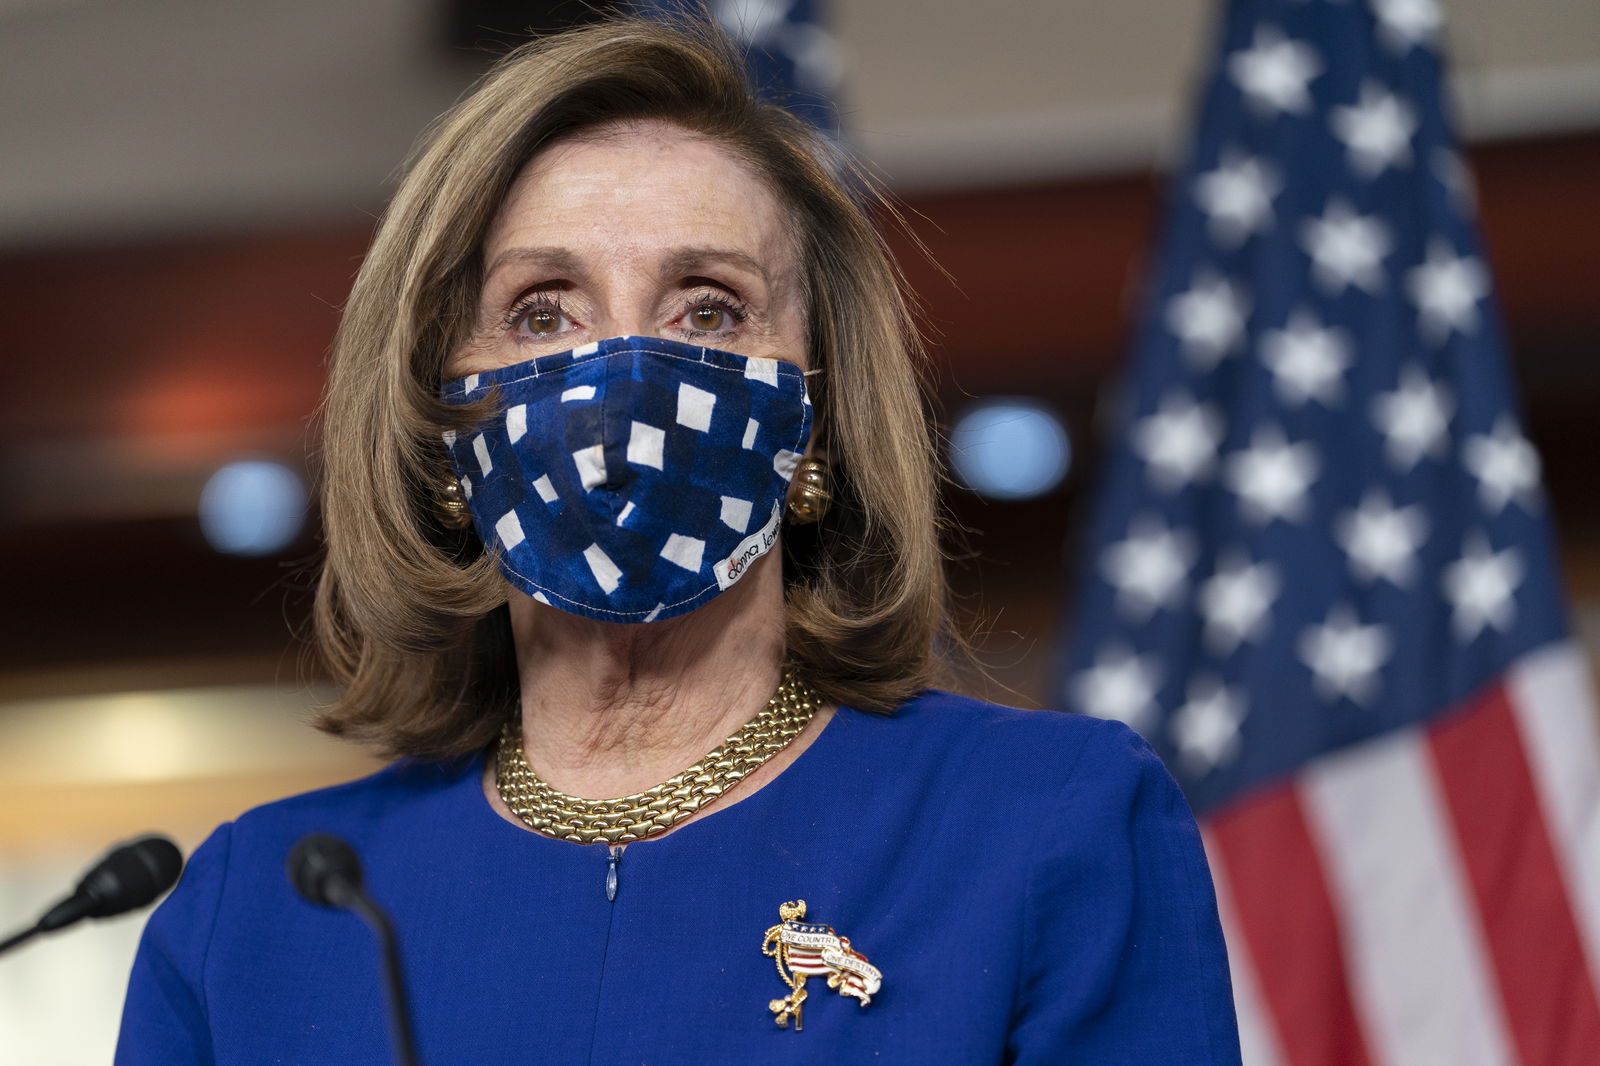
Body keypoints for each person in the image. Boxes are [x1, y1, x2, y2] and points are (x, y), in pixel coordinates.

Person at [115, 15, 1241, 1064]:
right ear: (438, 422)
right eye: (542, 310)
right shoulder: (264, 908)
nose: (623, 372)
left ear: (816, 420)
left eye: (708, 308)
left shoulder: (1047, 823)